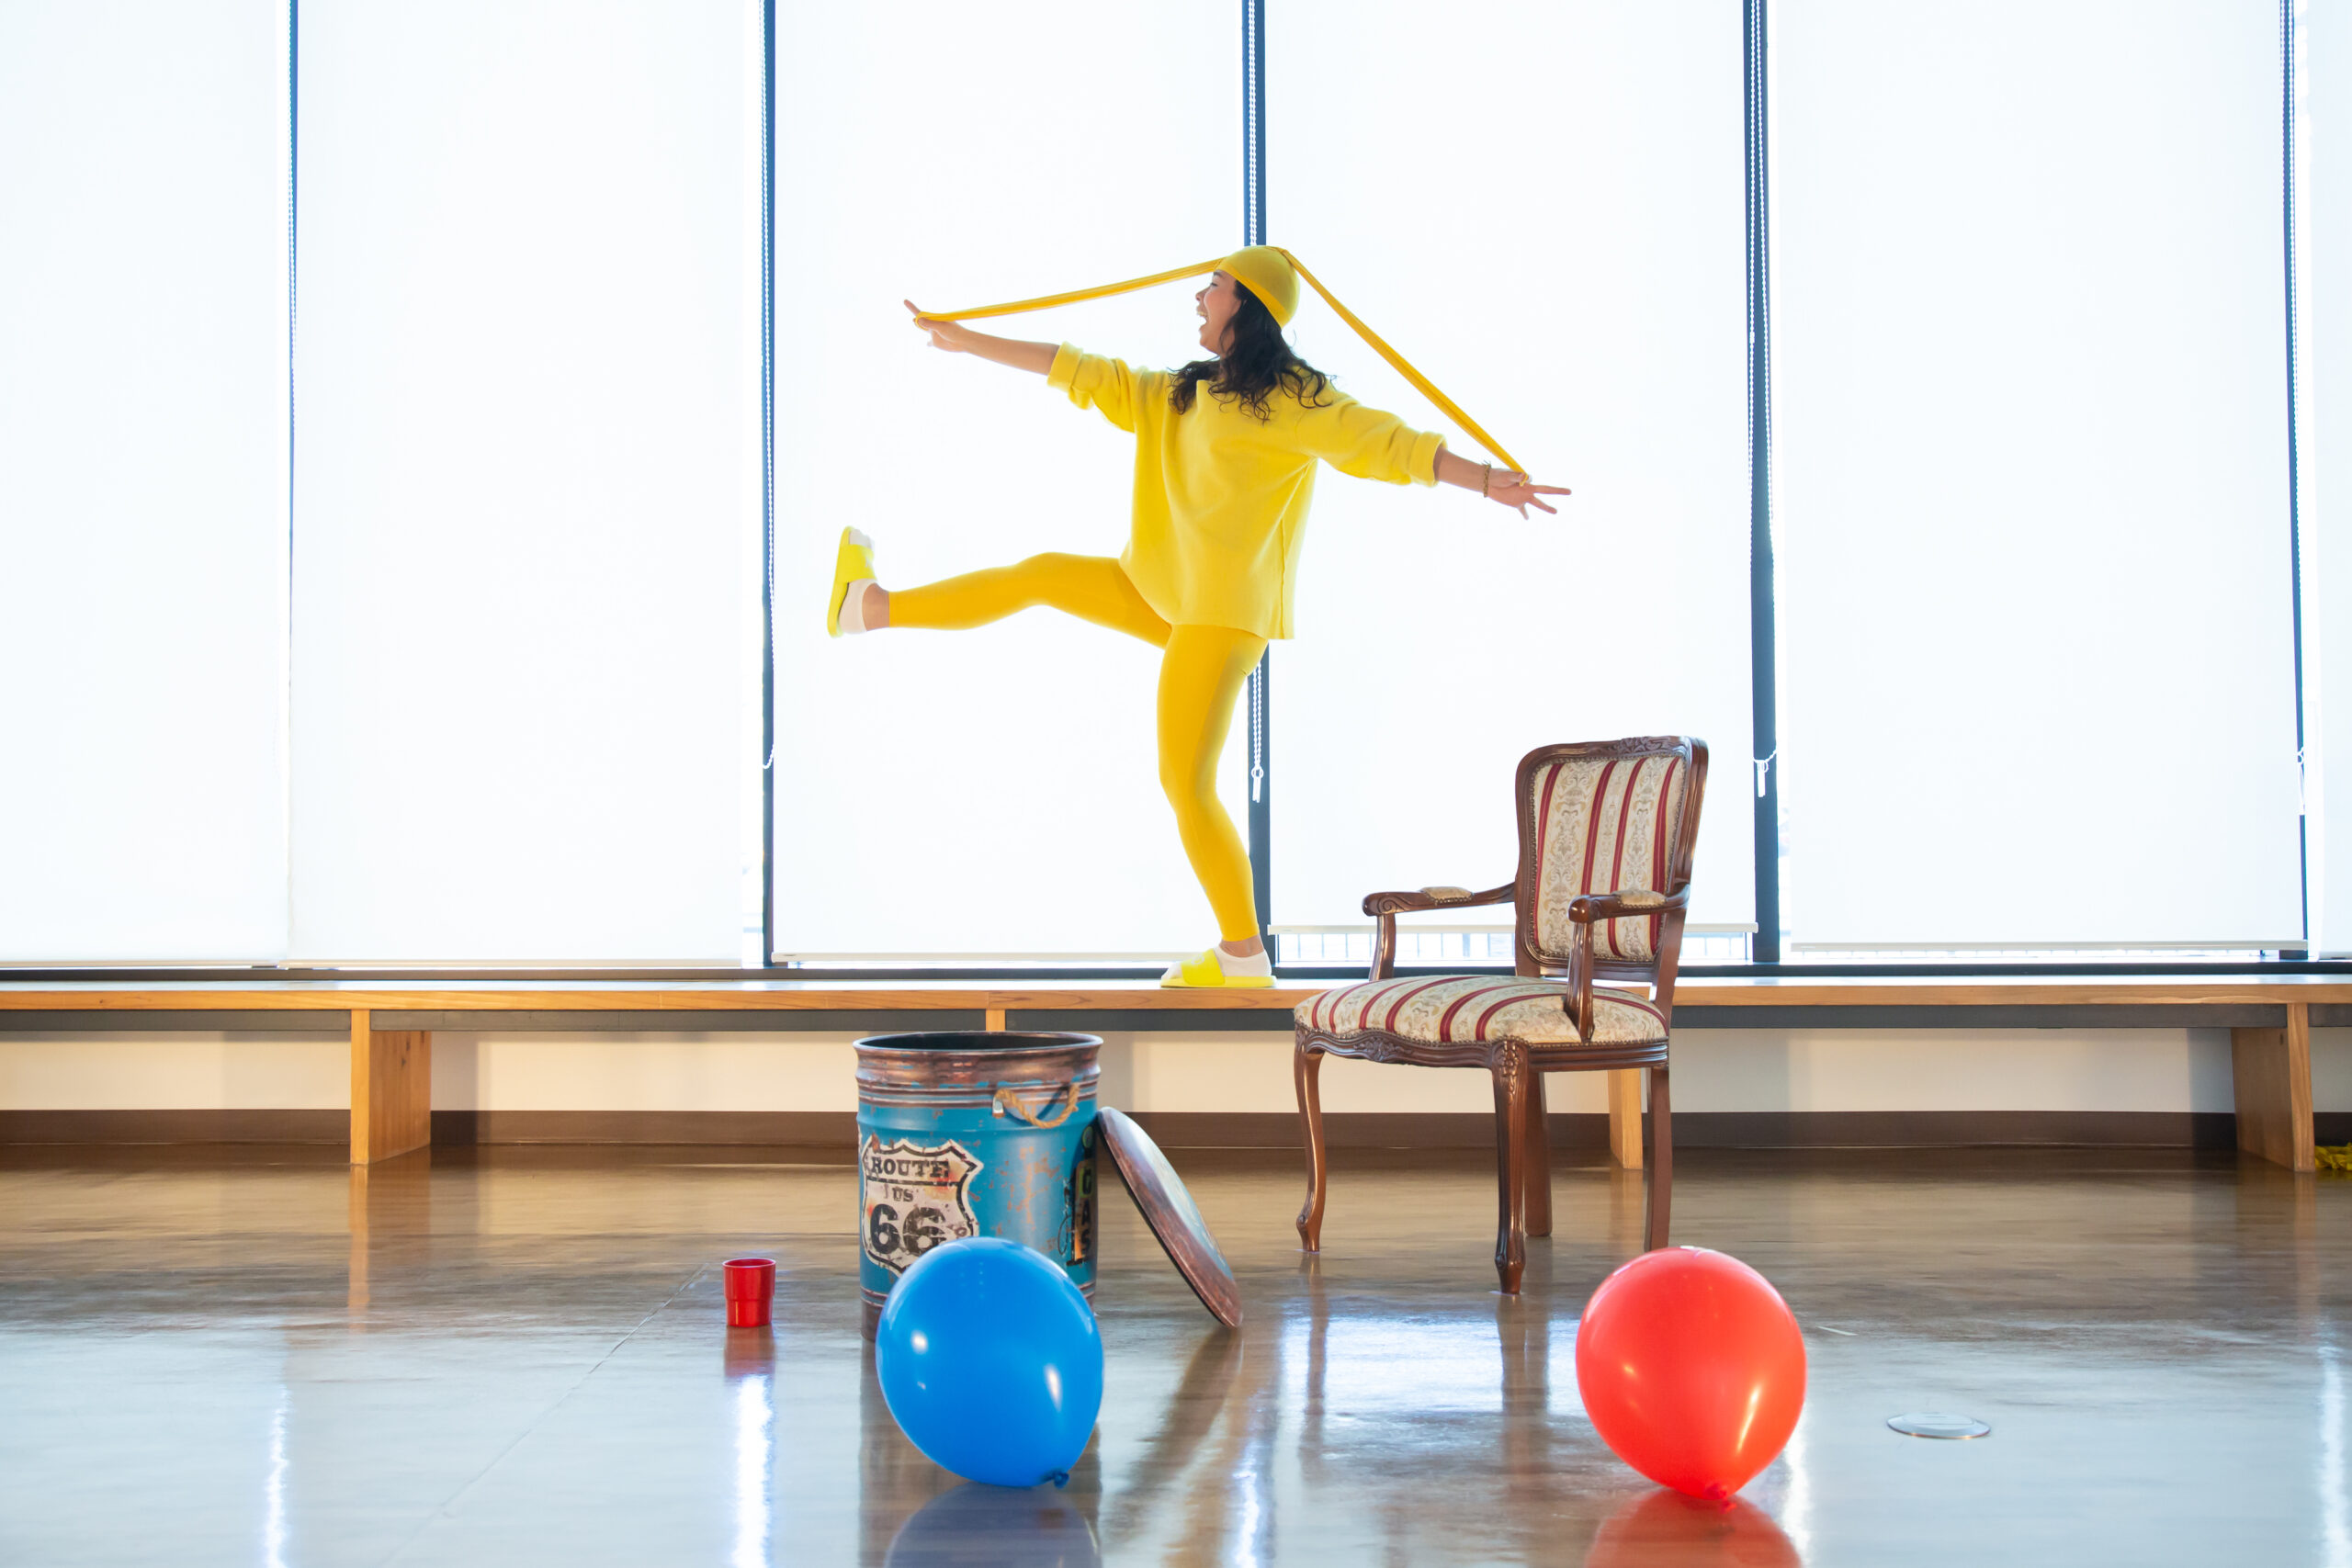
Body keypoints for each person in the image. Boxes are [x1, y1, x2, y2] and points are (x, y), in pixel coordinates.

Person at [826, 246, 1567, 987]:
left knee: (1185, 783)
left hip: (1221, 614)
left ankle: (1243, 955)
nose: (1198, 297)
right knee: (1043, 574)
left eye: (1213, 286)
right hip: (1163, 591)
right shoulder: (1182, 393)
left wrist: (1484, 480)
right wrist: (967, 341)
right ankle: (870, 607)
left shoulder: (1297, 400)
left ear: (1248, 304)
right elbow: (1079, 369)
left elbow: (1386, 445)